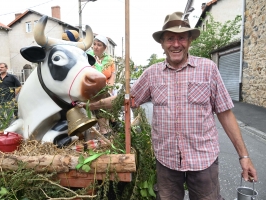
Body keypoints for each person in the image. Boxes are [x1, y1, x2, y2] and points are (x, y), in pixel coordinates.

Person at [79, 11, 258, 199]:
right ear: (162, 44)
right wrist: (88, 106)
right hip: (167, 161)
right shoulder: (152, 74)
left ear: (189, 41)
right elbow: (123, 100)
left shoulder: (208, 69)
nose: (175, 44)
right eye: (170, 38)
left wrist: (244, 157)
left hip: (203, 159)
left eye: (181, 38)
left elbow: (225, 114)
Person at [87, 35, 116, 136]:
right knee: (102, 96)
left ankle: (112, 120)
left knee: (111, 96)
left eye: (99, 45)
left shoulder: (110, 60)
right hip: (90, 86)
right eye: (94, 44)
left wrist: (110, 87)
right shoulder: (87, 56)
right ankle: (106, 127)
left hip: (106, 87)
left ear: (105, 48)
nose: (96, 47)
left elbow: (112, 75)